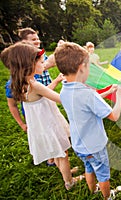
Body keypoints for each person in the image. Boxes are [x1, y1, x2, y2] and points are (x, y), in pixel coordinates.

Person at [5, 42, 84, 190]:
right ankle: (69, 181)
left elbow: (43, 93)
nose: (45, 64)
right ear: (30, 65)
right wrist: (74, 87)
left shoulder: (21, 84)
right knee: (62, 153)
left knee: (58, 152)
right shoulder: (35, 85)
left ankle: (65, 172)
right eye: (42, 62)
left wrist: (56, 81)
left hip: (39, 125)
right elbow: (62, 99)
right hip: (49, 124)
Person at [55, 42, 121, 199]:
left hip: (79, 144)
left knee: (89, 167)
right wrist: (119, 97)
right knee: (103, 174)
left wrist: (108, 91)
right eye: (89, 67)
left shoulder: (65, 88)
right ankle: (107, 196)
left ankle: (93, 191)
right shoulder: (88, 94)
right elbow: (114, 116)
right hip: (95, 146)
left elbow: (88, 104)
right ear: (81, 67)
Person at [4, 27, 58, 166]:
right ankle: (52, 158)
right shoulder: (24, 83)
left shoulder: (34, 71)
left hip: (45, 101)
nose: (38, 41)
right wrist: (21, 123)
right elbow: (12, 104)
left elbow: (45, 90)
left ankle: (54, 157)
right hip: (37, 110)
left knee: (49, 133)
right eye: (33, 40)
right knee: (45, 134)